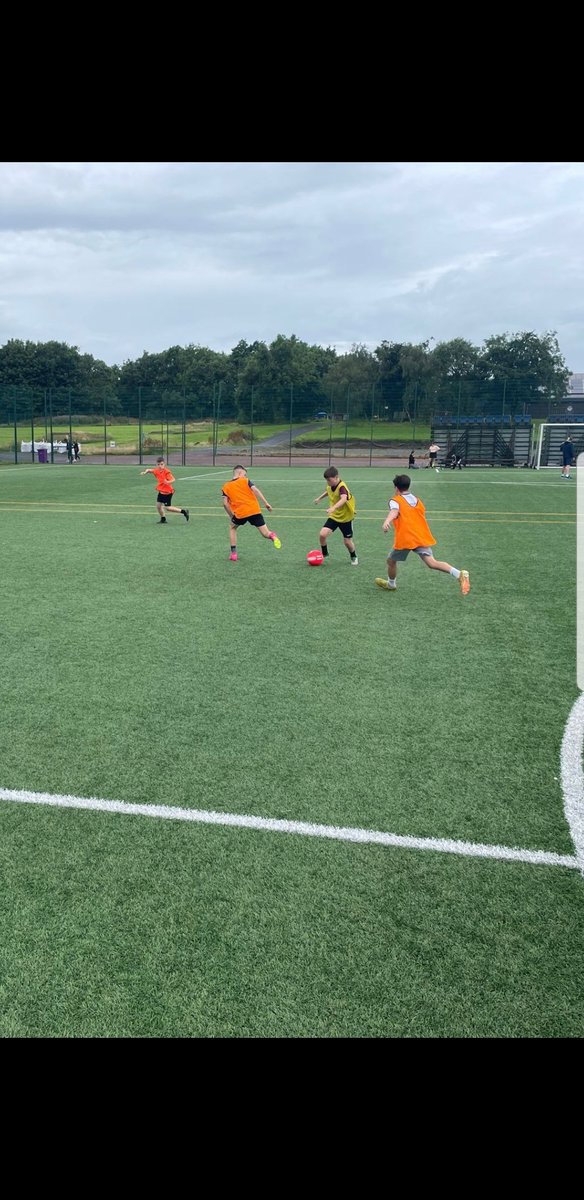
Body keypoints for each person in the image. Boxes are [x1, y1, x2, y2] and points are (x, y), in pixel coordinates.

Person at [375, 474, 470, 595]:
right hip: (420, 536)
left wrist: (387, 521)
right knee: (432, 563)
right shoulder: (417, 500)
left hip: (407, 538)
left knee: (391, 561)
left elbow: (394, 511)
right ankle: (459, 574)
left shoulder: (395, 500)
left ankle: (391, 584)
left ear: (396, 488)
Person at [221, 465, 281, 561]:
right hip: (254, 510)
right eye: (245, 474)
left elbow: (225, 504)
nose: (245, 476)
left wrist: (231, 516)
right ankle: (272, 535)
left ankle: (233, 554)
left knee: (232, 527)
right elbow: (256, 490)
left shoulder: (226, 486)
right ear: (240, 473)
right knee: (265, 533)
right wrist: (266, 503)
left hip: (240, 513)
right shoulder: (245, 481)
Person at [313, 466, 358, 565]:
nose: (328, 482)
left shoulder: (342, 487)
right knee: (322, 534)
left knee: (347, 542)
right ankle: (324, 553)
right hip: (334, 516)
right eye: (326, 480)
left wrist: (333, 508)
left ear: (336, 477)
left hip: (346, 518)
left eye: (329, 480)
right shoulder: (330, 485)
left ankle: (353, 556)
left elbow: (343, 499)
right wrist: (319, 498)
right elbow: (328, 491)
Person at [140, 457, 190, 523]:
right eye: (158, 464)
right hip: (161, 492)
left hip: (167, 493)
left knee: (168, 508)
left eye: (161, 464)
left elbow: (173, 479)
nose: (160, 466)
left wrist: (167, 482)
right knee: (158, 506)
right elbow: (149, 470)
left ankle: (184, 512)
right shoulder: (156, 471)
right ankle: (163, 519)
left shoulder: (167, 472)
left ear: (164, 464)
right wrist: (145, 472)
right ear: (156, 465)